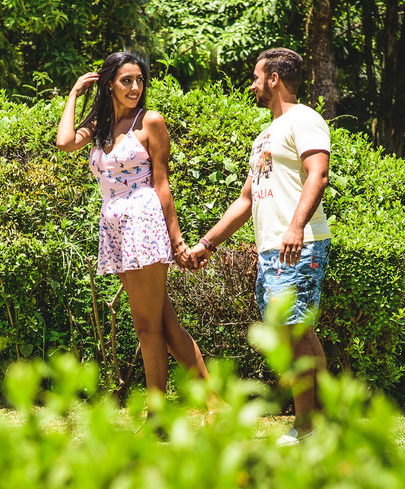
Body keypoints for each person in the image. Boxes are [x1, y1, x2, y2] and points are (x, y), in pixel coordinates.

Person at [188, 47, 331, 446]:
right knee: (292, 334)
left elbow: (318, 174)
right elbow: (246, 199)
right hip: (272, 247)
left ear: (274, 79)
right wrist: (207, 244)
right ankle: (321, 421)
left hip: (299, 242)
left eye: (256, 77)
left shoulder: (305, 119)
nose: (252, 84)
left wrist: (295, 227)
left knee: (294, 331)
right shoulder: (265, 136)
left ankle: (308, 426)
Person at [56, 51, 210, 405]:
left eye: (139, 80)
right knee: (164, 323)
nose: (135, 87)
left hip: (142, 222)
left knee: (146, 327)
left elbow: (162, 184)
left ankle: (157, 415)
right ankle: (214, 402)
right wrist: (74, 94)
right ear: (109, 83)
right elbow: (65, 143)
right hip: (115, 226)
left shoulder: (149, 121)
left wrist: (177, 241)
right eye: (126, 80)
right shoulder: (100, 123)